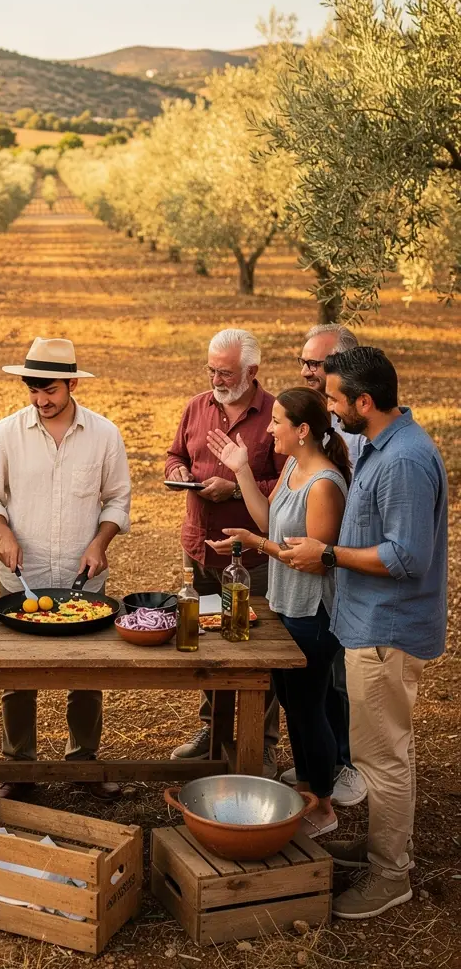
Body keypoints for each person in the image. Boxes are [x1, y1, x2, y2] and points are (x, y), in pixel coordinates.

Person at [281, 348, 448, 920]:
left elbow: (406, 557)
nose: (328, 408)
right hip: (372, 626)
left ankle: (390, 874)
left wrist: (328, 553)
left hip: (386, 631)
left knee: (383, 759)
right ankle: (383, 849)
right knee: (385, 751)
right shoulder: (383, 446)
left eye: (334, 399)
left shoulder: (403, 460)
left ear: (365, 401)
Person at [0, 337, 131, 802]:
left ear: (72, 385)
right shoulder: (5, 434)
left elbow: (117, 499)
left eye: (50, 391)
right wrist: (3, 534)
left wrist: (100, 542)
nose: (41, 401)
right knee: (18, 675)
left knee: (86, 675)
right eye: (33, 391)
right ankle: (18, 767)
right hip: (23, 574)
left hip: (84, 577)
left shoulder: (105, 434)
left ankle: (83, 762)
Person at [205, 387, 350, 838]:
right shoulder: (293, 467)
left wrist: (254, 544)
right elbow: (270, 522)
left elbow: (311, 559)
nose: (269, 428)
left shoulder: (323, 484)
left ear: (302, 430)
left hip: (313, 614)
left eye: (276, 421)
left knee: (309, 709)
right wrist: (241, 470)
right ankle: (307, 784)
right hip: (286, 606)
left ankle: (324, 806)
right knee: (292, 703)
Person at [165, 328, 284, 775]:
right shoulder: (196, 406)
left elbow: (288, 485)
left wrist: (234, 487)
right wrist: (179, 471)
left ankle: (262, 742)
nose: (215, 379)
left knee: (259, 648)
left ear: (252, 371)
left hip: (252, 555)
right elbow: (175, 454)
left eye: (226, 373)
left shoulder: (276, 415)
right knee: (205, 641)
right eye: (211, 370)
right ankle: (211, 730)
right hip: (199, 549)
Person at [281, 323, 367, 808]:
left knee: (338, 681)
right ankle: (324, 766)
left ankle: (343, 769)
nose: (307, 371)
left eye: (316, 363)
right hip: (323, 576)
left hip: (345, 580)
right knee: (319, 690)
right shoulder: (312, 432)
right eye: (304, 362)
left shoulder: (356, 431)